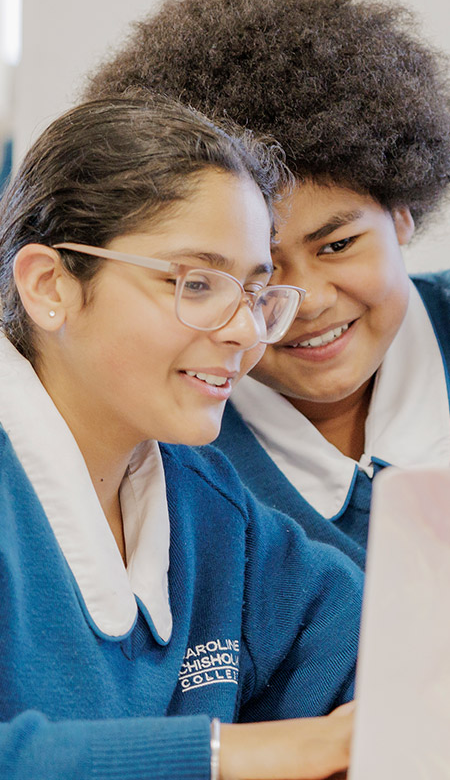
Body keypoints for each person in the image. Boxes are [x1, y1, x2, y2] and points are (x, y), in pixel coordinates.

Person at [0, 91, 361, 779]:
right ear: (50, 286)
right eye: (197, 284)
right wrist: (223, 755)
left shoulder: (213, 512)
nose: (245, 330)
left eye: (257, 293)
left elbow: (393, 656)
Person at [84, 0, 450, 571]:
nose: (305, 302)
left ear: (403, 211)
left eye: (337, 244)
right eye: (260, 269)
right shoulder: (173, 447)